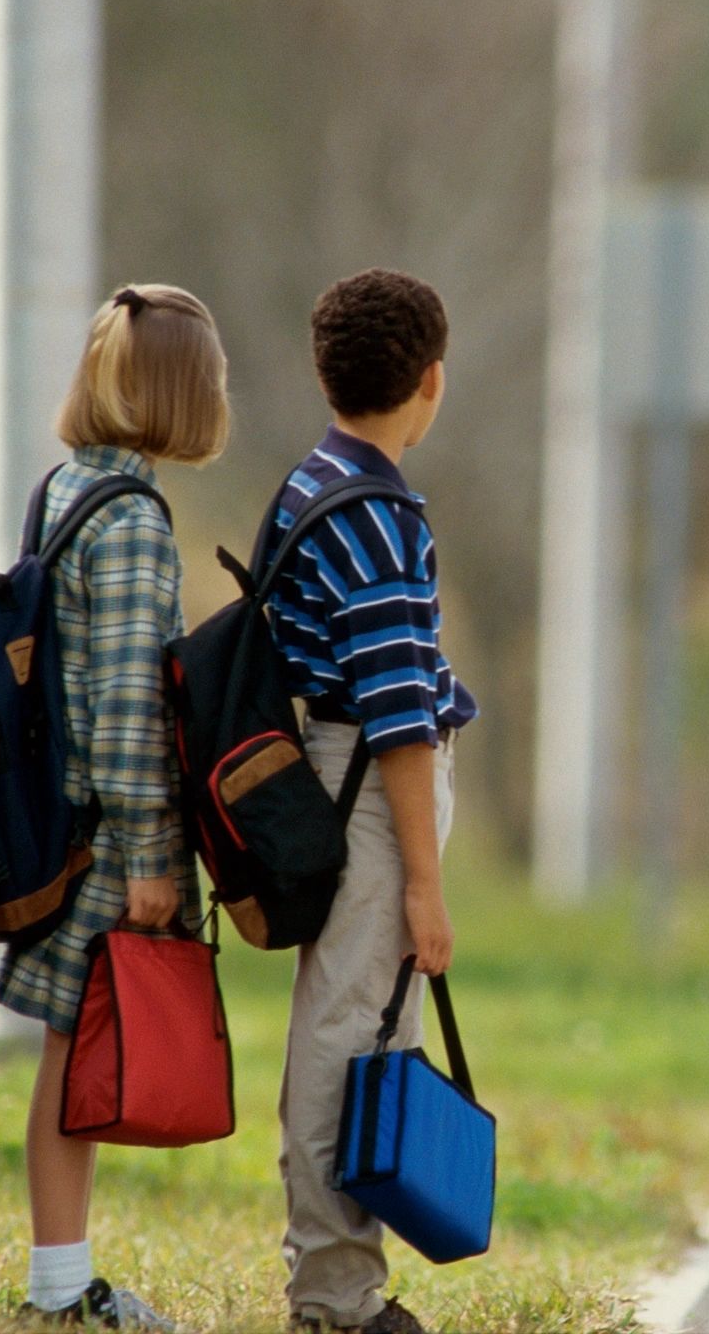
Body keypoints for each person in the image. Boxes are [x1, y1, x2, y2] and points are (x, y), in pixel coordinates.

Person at [0, 285, 230, 1330]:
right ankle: (59, 1283)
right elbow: (132, 700)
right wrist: (149, 856)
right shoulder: (132, 522)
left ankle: (61, 1273)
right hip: (105, 835)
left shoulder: (65, 487)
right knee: (77, 1051)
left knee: (64, 1044)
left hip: (59, 814)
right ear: (187, 393)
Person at [264, 269, 476, 1334]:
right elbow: (396, 716)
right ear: (429, 381)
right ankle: (335, 1299)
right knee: (347, 1039)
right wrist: (425, 888)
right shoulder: (378, 519)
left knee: (353, 1028)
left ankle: (347, 1280)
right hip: (367, 798)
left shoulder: (312, 480)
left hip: (332, 780)